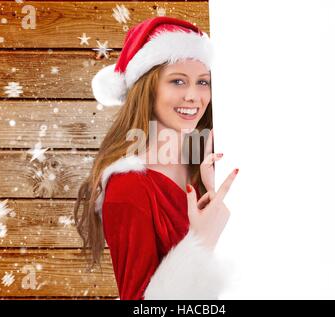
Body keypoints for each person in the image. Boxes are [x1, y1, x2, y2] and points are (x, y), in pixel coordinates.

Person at [74, 16, 239, 300]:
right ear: (147, 89)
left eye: (203, 82)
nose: (193, 96)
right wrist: (199, 242)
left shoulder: (209, 165)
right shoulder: (129, 188)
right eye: (177, 81)